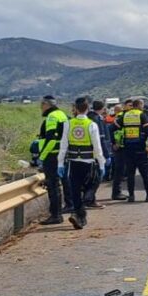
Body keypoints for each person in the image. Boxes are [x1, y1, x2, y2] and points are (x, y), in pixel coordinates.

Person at [58, 97, 106, 229]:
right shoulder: (92, 125)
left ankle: (79, 214)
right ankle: (80, 212)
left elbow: (63, 145)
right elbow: (97, 147)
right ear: (88, 108)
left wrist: (60, 164)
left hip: (73, 162)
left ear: (75, 108)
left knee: (75, 189)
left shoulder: (68, 123)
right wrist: (102, 164)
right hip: (88, 162)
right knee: (92, 185)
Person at [115, 98, 148, 202]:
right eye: (142, 105)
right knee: (145, 173)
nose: (143, 107)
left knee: (130, 173)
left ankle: (131, 196)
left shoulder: (125, 115)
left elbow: (115, 126)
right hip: (139, 148)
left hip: (127, 148)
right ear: (139, 105)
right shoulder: (141, 115)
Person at [37, 95, 70, 225]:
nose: (41, 108)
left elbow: (51, 140)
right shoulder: (62, 115)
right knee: (62, 182)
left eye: (42, 105)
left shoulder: (52, 117)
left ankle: (56, 215)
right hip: (62, 154)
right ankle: (65, 208)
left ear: (47, 105)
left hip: (52, 156)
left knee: (52, 185)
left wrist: (42, 157)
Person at [84, 99, 112, 209]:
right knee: (96, 178)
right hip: (96, 153)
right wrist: (106, 155)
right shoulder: (97, 120)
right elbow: (101, 139)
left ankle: (90, 199)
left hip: (87, 153)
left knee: (90, 178)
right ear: (103, 108)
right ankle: (89, 200)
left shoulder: (89, 118)